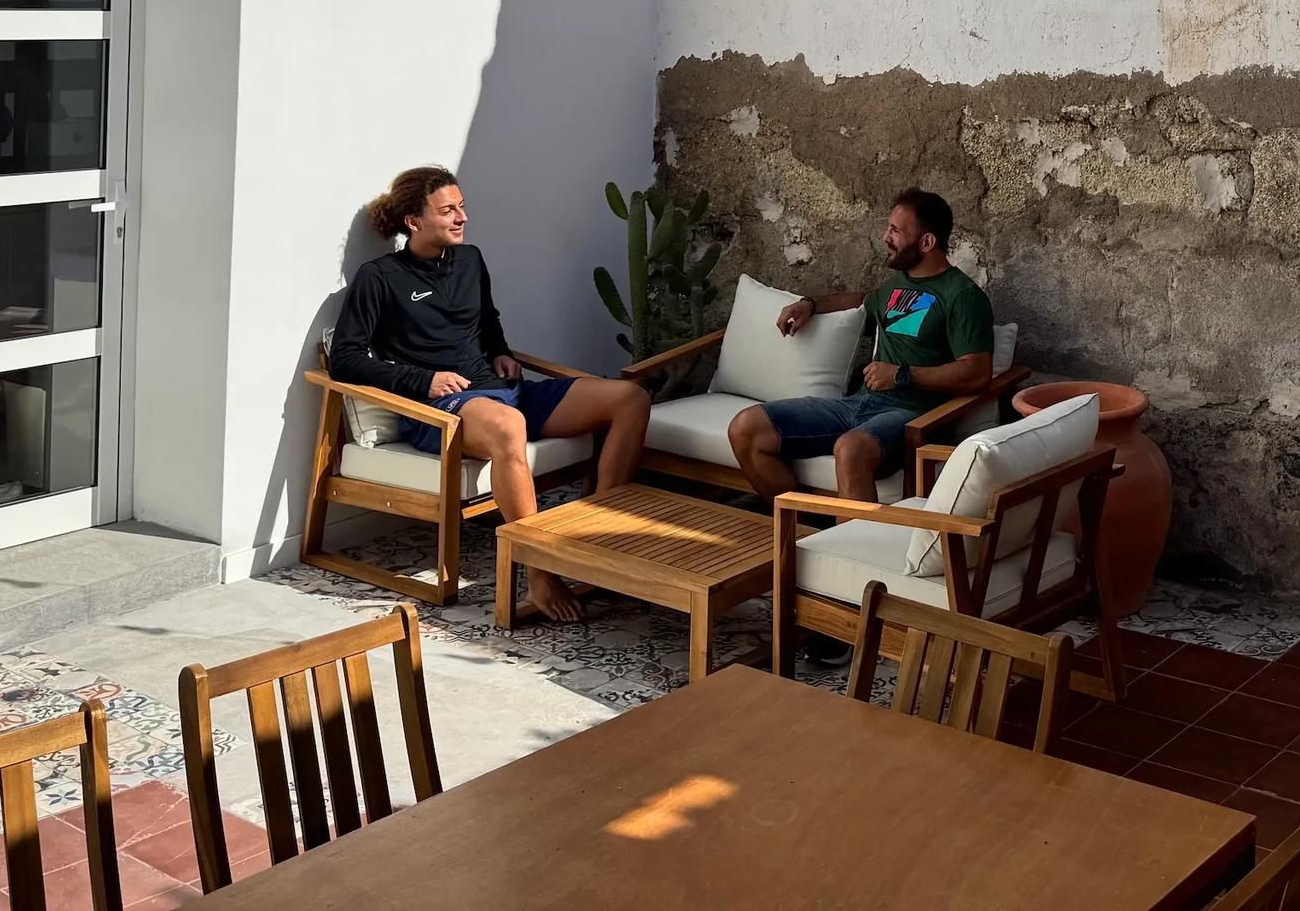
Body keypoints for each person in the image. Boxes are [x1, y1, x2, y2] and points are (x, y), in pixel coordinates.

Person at [330, 165, 650, 623]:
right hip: (437, 409)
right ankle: (538, 571)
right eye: (448, 210)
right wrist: (424, 380)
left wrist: (499, 351)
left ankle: (596, 539)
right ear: (413, 221)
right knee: (509, 426)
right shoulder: (379, 278)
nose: (462, 217)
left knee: (630, 399)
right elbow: (345, 358)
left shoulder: (470, 260)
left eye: (462, 206)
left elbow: (485, 320)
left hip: (500, 390)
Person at [726, 188, 995, 507]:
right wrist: (809, 304)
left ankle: (850, 551)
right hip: (860, 404)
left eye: (896, 230)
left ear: (926, 242)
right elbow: (860, 301)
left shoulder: (962, 296)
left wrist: (902, 376)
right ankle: (803, 530)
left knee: (850, 449)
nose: (886, 237)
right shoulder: (897, 284)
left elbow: (976, 372)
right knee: (746, 428)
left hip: (913, 417)